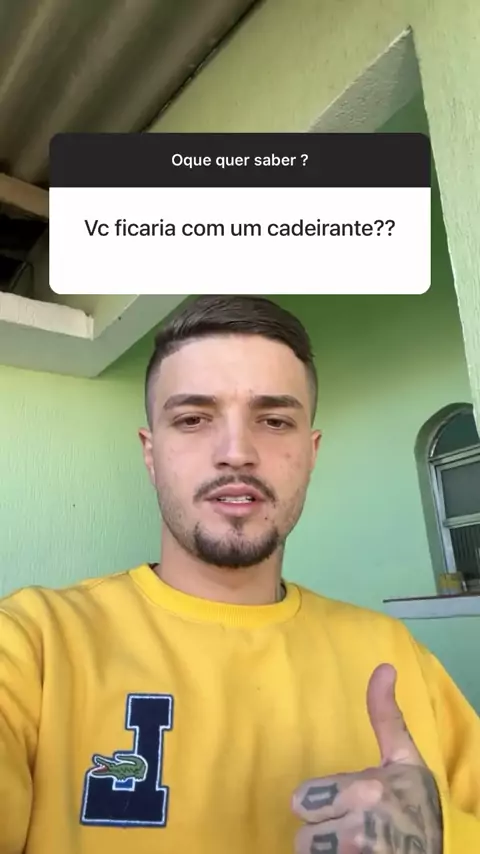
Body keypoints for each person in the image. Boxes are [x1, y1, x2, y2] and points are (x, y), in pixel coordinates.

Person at [0, 294, 479, 854]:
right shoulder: (32, 645)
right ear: (151, 454)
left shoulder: (396, 660)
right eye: (193, 419)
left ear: (311, 452)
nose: (236, 452)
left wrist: (445, 838)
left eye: (274, 421)